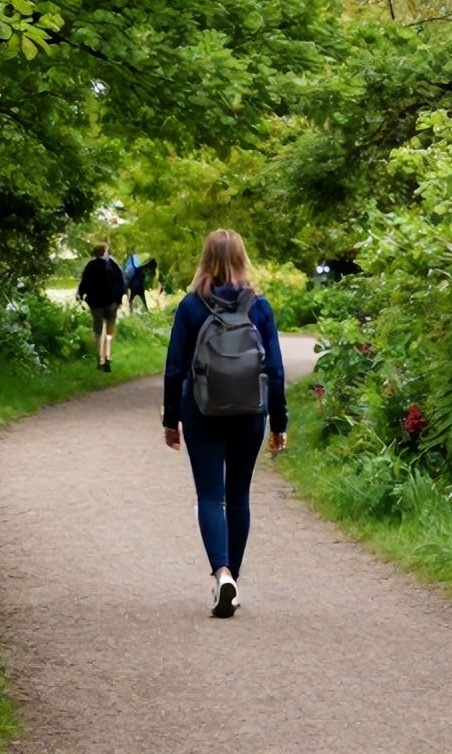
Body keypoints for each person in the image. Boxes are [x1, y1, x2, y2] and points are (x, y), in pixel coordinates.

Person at [162, 228, 286, 618]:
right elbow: (276, 372)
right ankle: (233, 576)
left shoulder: (190, 307)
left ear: (205, 258)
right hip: (250, 413)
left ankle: (222, 573)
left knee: (209, 495)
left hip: (202, 410)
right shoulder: (259, 307)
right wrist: (279, 422)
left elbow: (174, 370)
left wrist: (171, 420)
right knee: (240, 495)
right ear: (241, 258)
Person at [74, 243, 126, 371]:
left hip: (96, 303)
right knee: (109, 330)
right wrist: (119, 299)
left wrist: (80, 295)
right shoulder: (113, 265)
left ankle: (99, 357)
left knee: (97, 328)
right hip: (111, 302)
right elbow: (121, 283)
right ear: (105, 252)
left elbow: (84, 282)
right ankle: (107, 356)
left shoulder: (90, 266)